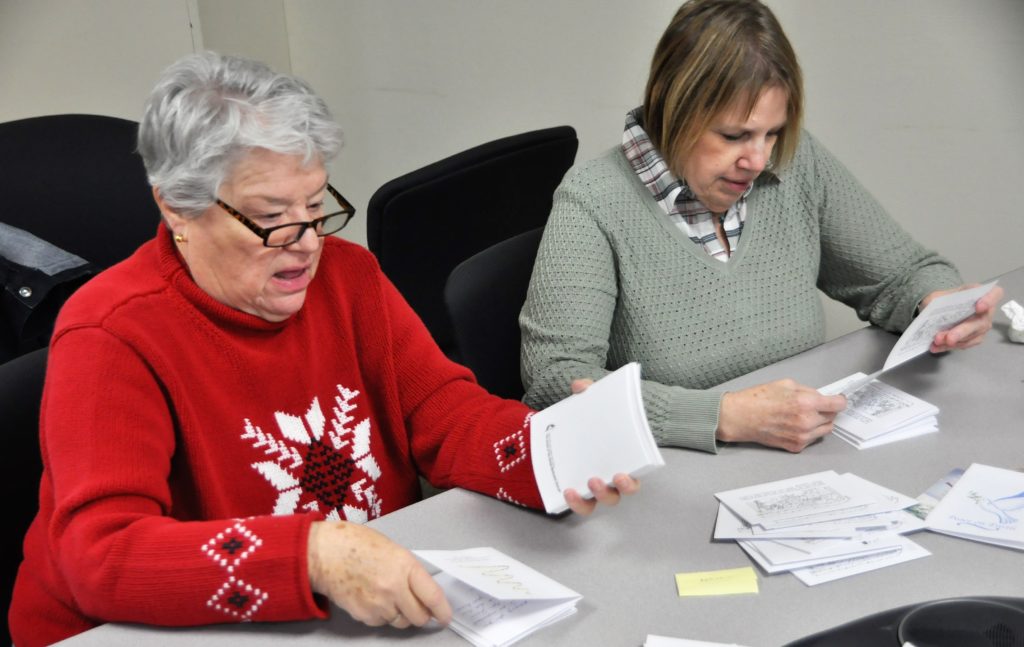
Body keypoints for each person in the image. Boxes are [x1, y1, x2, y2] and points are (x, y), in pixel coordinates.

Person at [9, 52, 639, 647]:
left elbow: (445, 413)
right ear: (178, 206)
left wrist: (549, 450)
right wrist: (312, 555)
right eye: (272, 216)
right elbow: (101, 556)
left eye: (316, 206)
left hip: (341, 612)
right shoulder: (110, 335)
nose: (307, 242)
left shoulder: (348, 276)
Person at [519, 0, 1003, 455]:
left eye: (772, 132)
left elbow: (900, 274)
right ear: (673, 108)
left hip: (804, 458)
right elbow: (555, 381)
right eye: (734, 135)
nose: (758, 159)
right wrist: (719, 416)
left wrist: (939, 305)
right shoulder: (594, 201)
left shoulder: (797, 162)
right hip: (668, 477)